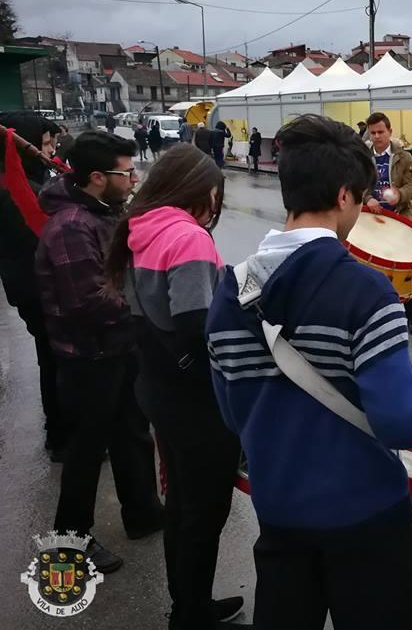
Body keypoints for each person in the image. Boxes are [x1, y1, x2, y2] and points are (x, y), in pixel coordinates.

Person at [206, 114, 412, 629]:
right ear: (345, 195)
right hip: (366, 514)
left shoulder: (229, 292)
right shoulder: (367, 292)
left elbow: (231, 412)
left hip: (279, 510)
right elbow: (399, 421)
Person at [104, 144, 243, 630]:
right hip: (197, 400)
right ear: (200, 190)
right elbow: (197, 329)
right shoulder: (189, 238)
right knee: (204, 512)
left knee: (183, 506)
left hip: (158, 385)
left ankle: (189, 604)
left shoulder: (140, 228)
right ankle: (192, 615)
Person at [34, 131, 163, 573]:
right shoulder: (72, 226)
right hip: (88, 358)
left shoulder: (102, 211)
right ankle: (69, 543)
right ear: (96, 177)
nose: (134, 179)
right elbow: (88, 301)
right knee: (86, 452)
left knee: (133, 435)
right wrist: (149, 307)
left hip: (119, 349)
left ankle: (143, 513)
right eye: (126, 173)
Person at [0, 112, 64, 458]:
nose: (51, 151)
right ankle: (61, 433)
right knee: (55, 360)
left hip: (33, 287)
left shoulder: (27, 180)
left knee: (52, 358)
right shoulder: (15, 189)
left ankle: (58, 426)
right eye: (46, 144)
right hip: (39, 289)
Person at [365, 111, 412, 335]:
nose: (377, 136)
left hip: (400, 217)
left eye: (381, 132)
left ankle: (411, 315)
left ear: (390, 131)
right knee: (371, 270)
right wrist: (366, 198)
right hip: (372, 220)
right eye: (373, 133)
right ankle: (375, 316)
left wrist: (399, 195)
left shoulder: (403, 157)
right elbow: (355, 184)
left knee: (406, 268)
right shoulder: (362, 157)